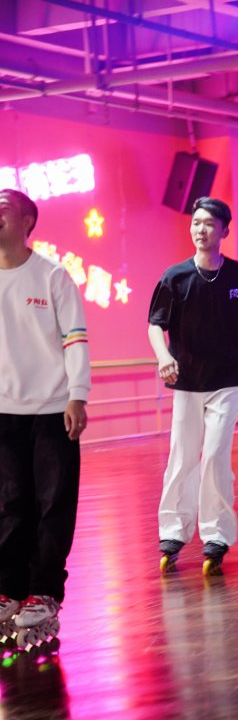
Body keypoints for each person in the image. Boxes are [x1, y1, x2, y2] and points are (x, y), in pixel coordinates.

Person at [148, 196, 238, 573]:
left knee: (215, 455)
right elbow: (156, 324)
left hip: (228, 379)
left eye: (209, 223)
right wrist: (163, 356)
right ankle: (173, 532)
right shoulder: (175, 277)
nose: (201, 229)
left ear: (224, 230)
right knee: (182, 455)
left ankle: (216, 534)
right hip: (187, 380)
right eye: (196, 222)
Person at [0, 189, 90, 640]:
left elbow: (75, 339)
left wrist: (78, 395)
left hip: (53, 408)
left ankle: (45, 590)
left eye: (3, 209)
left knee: (53, 503)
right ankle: (10, 589)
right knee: (8, 503)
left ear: (27, 222)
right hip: (3, 410)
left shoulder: (53, 276)